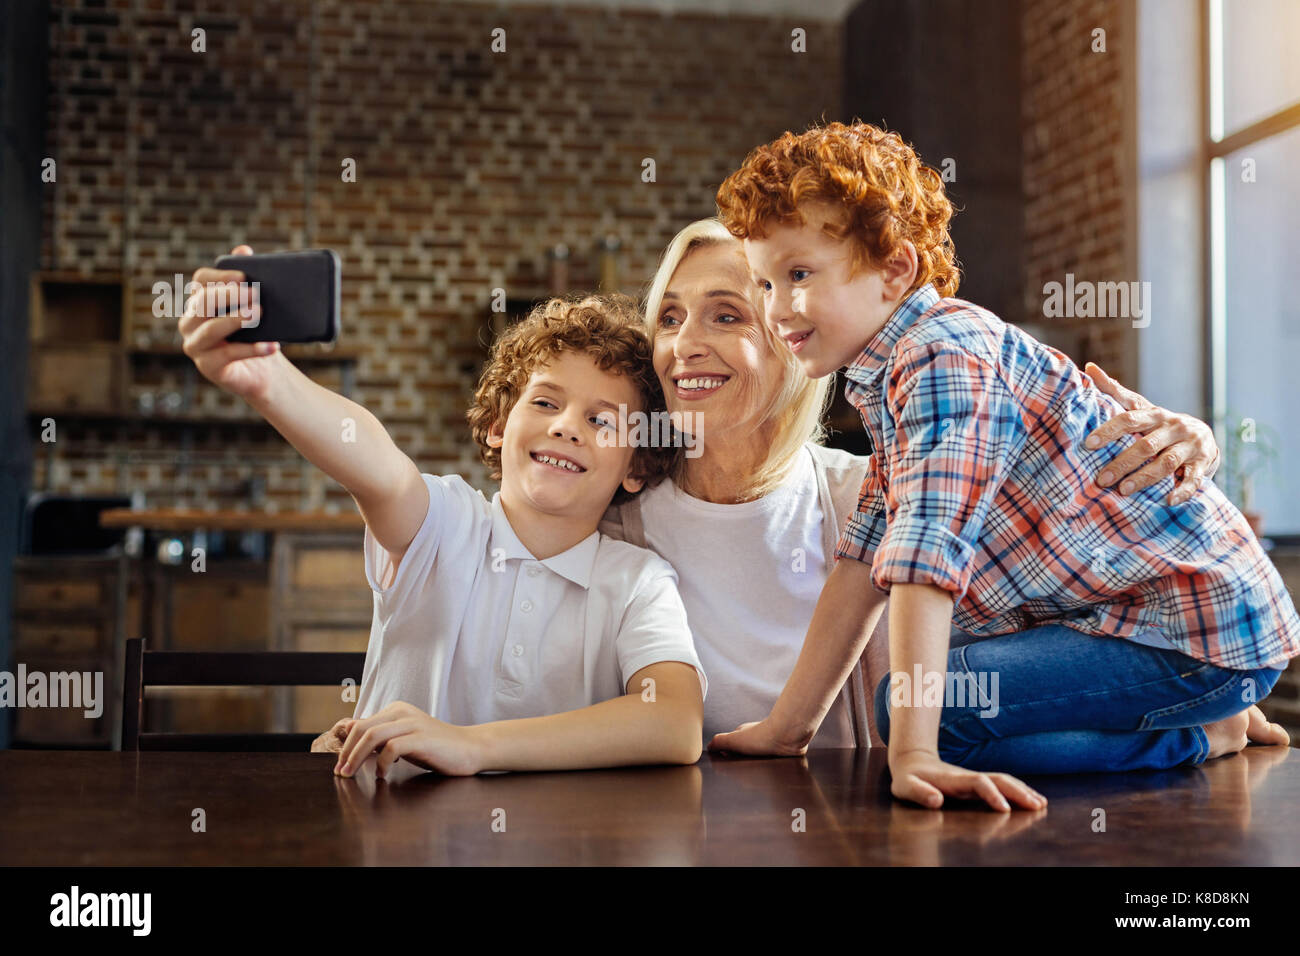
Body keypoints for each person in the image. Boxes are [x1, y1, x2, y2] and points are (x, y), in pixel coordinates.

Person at [714, 120, 1297, 810]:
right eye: (763, 283)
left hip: (1192, 635)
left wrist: (914, 753)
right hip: (1138, 624)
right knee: (929, 674)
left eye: (799, 274)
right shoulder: (889, 372)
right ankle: (1190, 713)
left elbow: (927, 554)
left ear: (895, 269)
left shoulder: (940, 354)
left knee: (915, 708)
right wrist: (790, 727)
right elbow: (864, 556)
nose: (777, 308)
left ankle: (1203, 732)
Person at [605, 217, 1226, 753]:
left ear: (792, 335)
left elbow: (1070, 595)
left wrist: (1181, 451)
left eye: (725, 315)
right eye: (670, 316)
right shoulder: (611, 519)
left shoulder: (874, 490)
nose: (684, 344)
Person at [178, 258, 706, 776]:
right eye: (545, 403)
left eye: (600, 420)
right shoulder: (445, 525)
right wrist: (270, 381)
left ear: (636, 463)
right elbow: (381, 469)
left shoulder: (638, 582)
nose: (567, 427)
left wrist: (471, 747)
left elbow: (675, 721)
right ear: (500, 425)